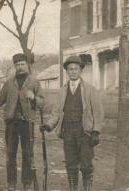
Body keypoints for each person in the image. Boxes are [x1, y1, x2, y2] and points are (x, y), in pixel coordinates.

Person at [40, 55, 104, 191]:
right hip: (68, 130)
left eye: (76, 69)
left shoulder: (90, 89)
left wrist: (96, 131)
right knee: (70, 164)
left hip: (84, 131)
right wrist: (48, 125)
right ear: (67, 71)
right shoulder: (62, 91)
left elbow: (98, 112)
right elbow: (56, 112)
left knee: (86, 164)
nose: (73, 71)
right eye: (70, 69)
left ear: (81, 70)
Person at [0, 53, 44, 191]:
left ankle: (27, 184)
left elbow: (42, 103)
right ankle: (11, 184)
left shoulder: (34, 82)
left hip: (27, 123)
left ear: (27, 65)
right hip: (11, 123)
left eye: (22, 64)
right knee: (10, 154)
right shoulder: (9, 83)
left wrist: (34, 97)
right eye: (17, 65)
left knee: (27, 154)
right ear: (14, 66)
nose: (20, 67)